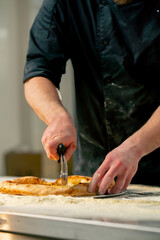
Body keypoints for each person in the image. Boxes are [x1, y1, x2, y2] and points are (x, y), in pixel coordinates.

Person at [23, 0, 160, 194]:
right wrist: (57, 117)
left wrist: (136, 146)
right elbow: (38, 71)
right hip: (93, 174)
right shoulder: (66, 4)